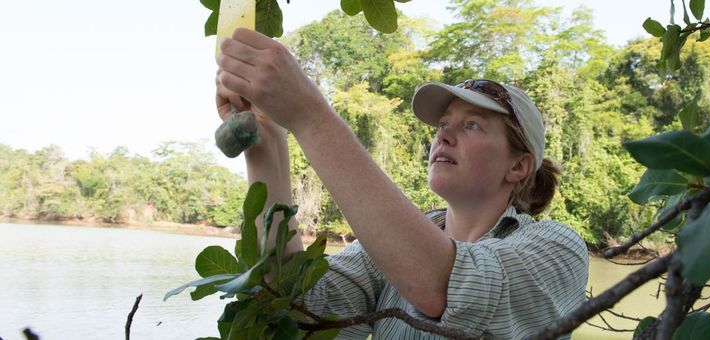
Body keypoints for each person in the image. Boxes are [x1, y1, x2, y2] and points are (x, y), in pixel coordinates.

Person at [215, 28, 589, 339]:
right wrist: (266, 139)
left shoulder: (558, 248)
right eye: (443, 124)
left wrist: (309, 113)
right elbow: (298, 309)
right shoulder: (391, 247)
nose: (443, 136)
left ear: (519, 166)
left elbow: (448, 290)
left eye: (472, 125)